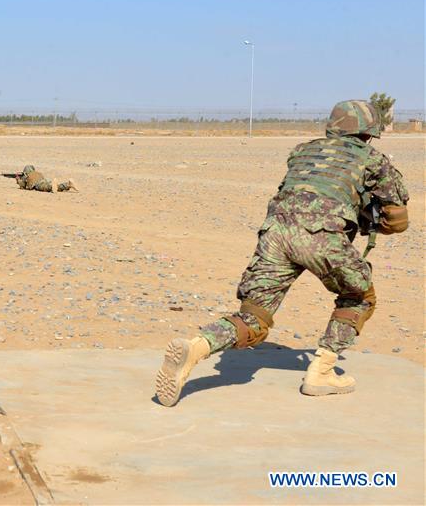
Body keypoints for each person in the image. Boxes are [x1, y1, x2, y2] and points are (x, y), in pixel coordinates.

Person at [155, 99, 409, 407]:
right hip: (324, 237)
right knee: (359, 297)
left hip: (275, 232)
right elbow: (397, 219)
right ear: (368, 133)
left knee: (254, 317)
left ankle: (196, 347)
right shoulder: (372, 158)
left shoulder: (302, 151)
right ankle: (322, 373)